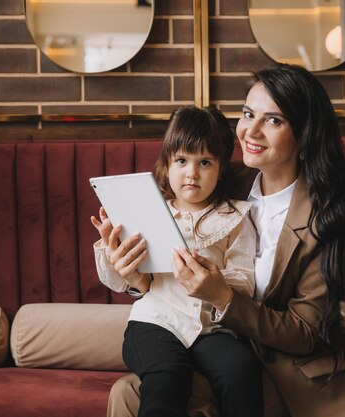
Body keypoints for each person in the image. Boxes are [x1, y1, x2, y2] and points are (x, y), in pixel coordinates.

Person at [107, 63, 345, 417]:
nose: (250, 131)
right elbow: (170, 228)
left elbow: (303, 332)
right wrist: (133, 277)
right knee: (55, 339)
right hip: (196, 328)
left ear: (305, 135)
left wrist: (221, 296)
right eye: (248, 114)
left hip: (274, 364)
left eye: (273, 120)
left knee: (129, 392)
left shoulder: (328, 217)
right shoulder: (224, 177)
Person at [91, 105, 263, 417]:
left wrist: (212, 283)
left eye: (205, 162)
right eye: (182, 160)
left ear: (221, 168)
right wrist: (112, 249)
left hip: (211, 329)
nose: (191, 172)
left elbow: (244, 279)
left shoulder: (236, 217)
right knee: (168, 374)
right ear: (167, 164)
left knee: (241, 367)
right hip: (154, 323)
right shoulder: (145, 211)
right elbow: (121, 281)